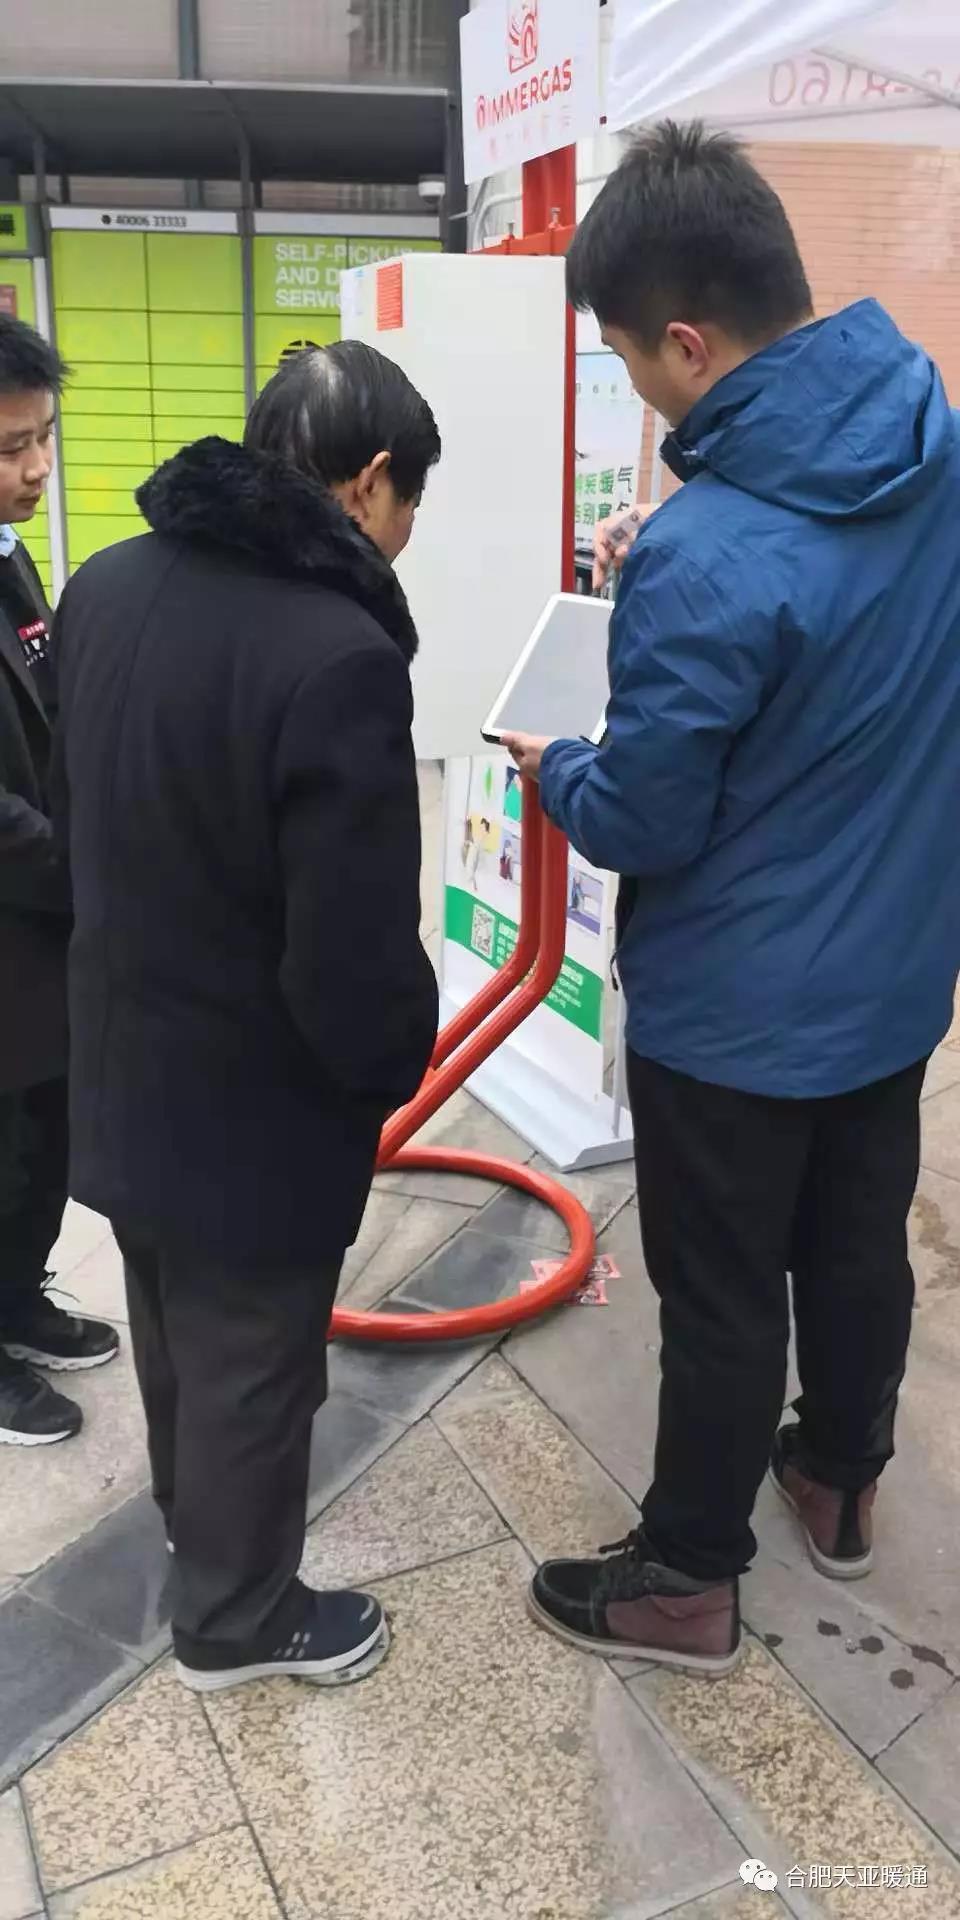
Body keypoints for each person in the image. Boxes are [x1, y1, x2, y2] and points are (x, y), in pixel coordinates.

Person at [505, 121, 960, 1676]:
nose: (638, 384)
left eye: (634, 357)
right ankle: (839, 1474)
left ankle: (688, 1579)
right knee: (857, 1244)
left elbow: (649, 813)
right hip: (895, 975)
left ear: (688, 343)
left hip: (736, 1015)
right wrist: (677, 549)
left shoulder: (705, 557)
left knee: (718, 1295)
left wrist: (558, 763)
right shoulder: (932, 439)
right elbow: (833, 616)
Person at [53, 341, 440, 1691]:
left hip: (119, 1047)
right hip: (252, 1096)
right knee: (255, 1359)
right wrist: (384, 1065)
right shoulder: (336, 654)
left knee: (174, 1321)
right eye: (409, 505)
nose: (404, 535)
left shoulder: (106, 582)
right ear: (369, 481)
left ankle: (196, 1528)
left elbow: (79, 811)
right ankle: (236, 1619)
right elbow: (350, 950)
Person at [0, 315, 118, 1448]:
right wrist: (91, 865)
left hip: (41, 930)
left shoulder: (11, 551)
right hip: (21, 901)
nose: (37, 467)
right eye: (9, 448)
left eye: (43, 438)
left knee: (40, 1133)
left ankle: (16, 1296)